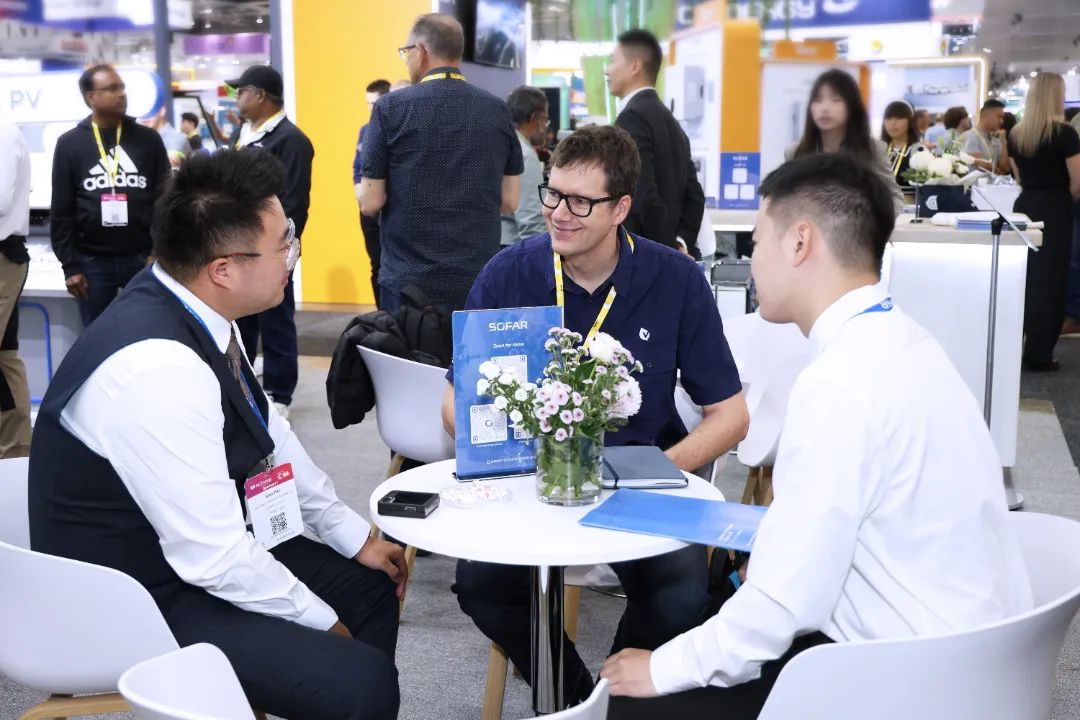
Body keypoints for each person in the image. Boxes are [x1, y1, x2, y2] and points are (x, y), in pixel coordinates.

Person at [599, 152, 1033, 720]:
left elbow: (784, 605)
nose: (751, 262)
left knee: (631, 704)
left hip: (905, 675)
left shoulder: (840, 382)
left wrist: (661, 669)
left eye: (757, 242)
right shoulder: (906, 343)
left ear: (800, 242)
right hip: (977, 656)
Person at [28, 150, 404, 720]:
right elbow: (213, 557)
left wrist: (352, 537)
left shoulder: (193, 306)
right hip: (134, 598)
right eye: (284, 243)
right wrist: (322, 623)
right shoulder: (159, 368)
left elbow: (269, 432)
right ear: (224, 268)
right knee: (359, 680)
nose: (293, 254)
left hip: (180, 551)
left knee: (370, 588)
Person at [440, 125, 749, 705]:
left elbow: (730, 416)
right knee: (481, 586)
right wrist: (518, 455)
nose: (559, 213)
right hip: (534, 481)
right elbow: (455, 405)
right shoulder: (508, 273)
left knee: (680, 597)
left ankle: (616, 702)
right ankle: (579, 701)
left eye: (581, 202)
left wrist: (657, 470)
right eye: (553, 194)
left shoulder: (675, 279)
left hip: (637, 481)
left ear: (620, 208)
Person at [359, 13, 523, 313]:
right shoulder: (497, 110)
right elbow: (510, 201)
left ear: (421, 51)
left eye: (406, 52)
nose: (406, 60)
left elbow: (370, 202)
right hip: (477, 280)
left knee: (403, 348)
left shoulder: (389, 108)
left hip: (407, 284)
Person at [50, 64, 170, 327]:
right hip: (92, 262)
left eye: (122, 87)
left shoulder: (148, 140)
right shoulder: (70, 144)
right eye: (112, 88)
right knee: (98, 335)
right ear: (91, 97)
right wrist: (70, 266)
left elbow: (165, 200)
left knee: (148, 330)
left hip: (142, 258)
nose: (122, 94)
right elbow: (62, 209)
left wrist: (158, 251)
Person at [227, 64, 314, 418]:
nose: (236, 98)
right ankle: (243, 385)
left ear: (261, 95)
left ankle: (280, 394)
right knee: (241, 320)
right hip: (237, 246)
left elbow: (295, 203)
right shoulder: (243, 134)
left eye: (241, 92)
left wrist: (281, 251)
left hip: (271, 250)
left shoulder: (291, 140)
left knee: (276, 320)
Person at [606, 29, 705, 258]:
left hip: (642, 255)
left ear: (635, 66)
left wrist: (667, 251)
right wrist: (680, 243)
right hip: (666, 251)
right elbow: (695, 196)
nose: (606, 70)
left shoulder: (631, 118)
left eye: (612, 61)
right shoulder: (671, 121)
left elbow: (642, 193)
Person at [1007, 72, 1080, 371]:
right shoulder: (1065, 134)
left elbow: (1017, 176)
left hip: (1025, 205)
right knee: (1051, 280)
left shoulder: (1016, 134)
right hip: (1055, 208)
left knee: (1026, 278)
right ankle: (1039, 352)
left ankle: (1014, 343)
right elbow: (1077, 180)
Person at [0, 112, 32, 457]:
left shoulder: (3, 132)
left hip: (2, 256)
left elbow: (0, 200)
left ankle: (14, 449)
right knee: (5, 355)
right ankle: (13, 447)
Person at [354, 79, 392, 306]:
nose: (370, 108)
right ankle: (381, 313)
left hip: (392, 208)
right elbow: (358, 166)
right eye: (367, 103)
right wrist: (359, 192)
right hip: (368, 209)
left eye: (374, 103)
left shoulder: (396, 128)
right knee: (376, 264)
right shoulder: (365, 130)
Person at [502, 86, 550, 245]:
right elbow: (531, 224)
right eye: (545, 120)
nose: (546, 128)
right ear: (535, 118)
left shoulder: (502, 143)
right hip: (513, 245)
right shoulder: (525, 155)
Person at [880, 101, 926, 187]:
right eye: (888, 118)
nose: (893, 123)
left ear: (910, 121)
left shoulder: (918, 151)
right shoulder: (878, 149)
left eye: (899, 118)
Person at [960, 99, 1010, 174]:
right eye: (999, 117)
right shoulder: (970, 137)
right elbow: (983, 165)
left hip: (992, 181)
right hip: (975, 181)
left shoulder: (996, 138)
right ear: (986, 115)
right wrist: (999, 172)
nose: (1002, 121)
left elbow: (1006, 168)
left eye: (1002, 118)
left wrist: (1003, 142)